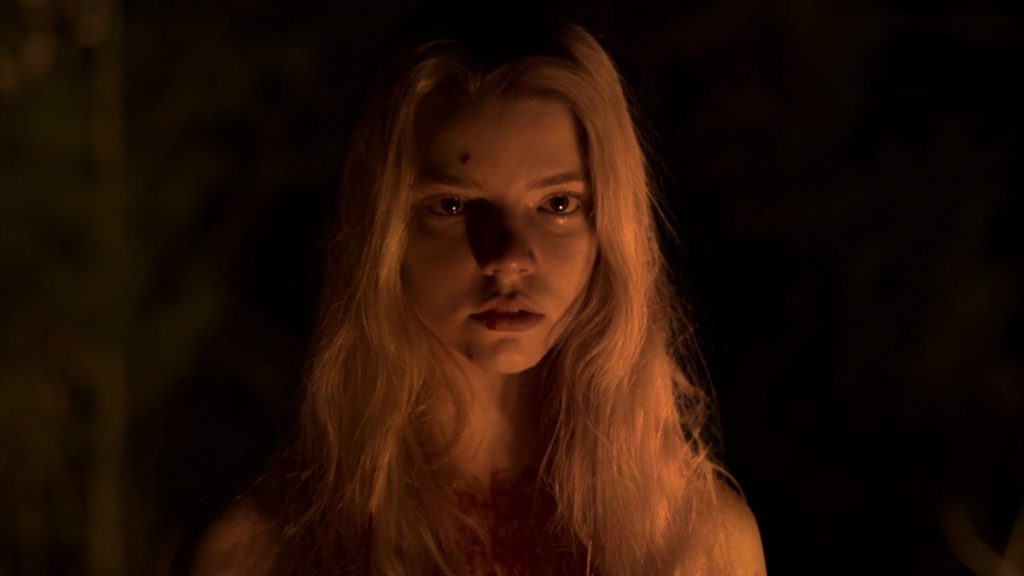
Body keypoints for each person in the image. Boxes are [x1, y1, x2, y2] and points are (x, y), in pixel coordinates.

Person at [190, 7, 765, 575]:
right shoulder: (262, 550)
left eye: (558, 204)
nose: (509, 257)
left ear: (613, 230)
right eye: (452, 205)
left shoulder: (696, 543)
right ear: (383, 233)